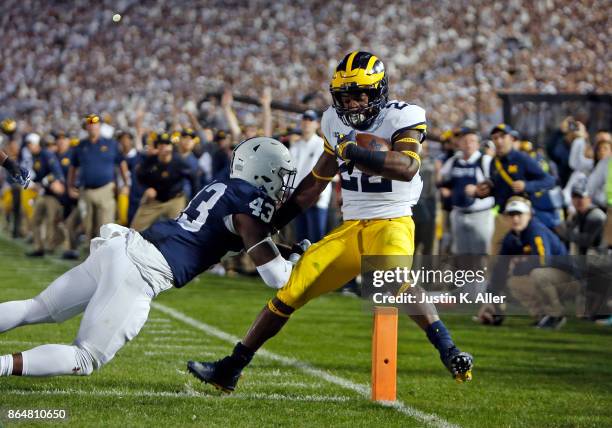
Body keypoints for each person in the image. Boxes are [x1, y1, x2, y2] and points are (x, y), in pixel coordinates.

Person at [188, 51, 473, 393]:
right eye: (344, 96)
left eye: (359, 94)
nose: (351, 104)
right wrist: (270, 225)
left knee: (393, 280)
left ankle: (449, 350)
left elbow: (407, 165)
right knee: (290, 290)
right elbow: (313, 186)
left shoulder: (404, 116)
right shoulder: (333, 123)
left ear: (378, 91)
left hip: (392, 220)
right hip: (352, 227)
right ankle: (230, 368)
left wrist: (353, 152)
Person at [0, 137, 304, 378]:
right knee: (86, 357)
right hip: (141, 271)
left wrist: (283, 250)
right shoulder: (249, 201)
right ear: (264, 171)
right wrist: (297, 264)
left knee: (37, 307)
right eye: (281, 175)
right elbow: (275, 277)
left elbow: (235, 239)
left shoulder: (225, 187)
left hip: (124, 247)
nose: (283, 183)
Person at [479, 197, 581, 329]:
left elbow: (543, 261)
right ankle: (542, 316)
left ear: (529, 215)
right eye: (511, 215)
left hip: (572, 281)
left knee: (538, 273)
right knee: (513, 282)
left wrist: (518, 267)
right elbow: (500, 269)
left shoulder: (536, 230)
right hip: (552, 279)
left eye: (519, 214)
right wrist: (490, 300)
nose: (515, 219)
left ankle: (555, 315)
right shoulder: (511, 237)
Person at [475, 124, 555, 254]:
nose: (499, 141)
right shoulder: (493, 163)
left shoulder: (522, 159)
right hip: (502, 218)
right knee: (495, 258)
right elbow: (497, 190)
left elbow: (549, 181)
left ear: (511, 138)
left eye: (503, 137)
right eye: (495, 138)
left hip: (521, 216)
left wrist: (527, 186)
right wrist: (482, 193)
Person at [67, 114, 129, 241]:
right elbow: (73, 168)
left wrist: (126, 184)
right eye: (90, 124)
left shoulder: (111, 144)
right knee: (88, 227)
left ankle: (105, 256)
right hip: (86, 191)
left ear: (100, 126)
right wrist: (70, 186)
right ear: (86, 127)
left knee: (106, 227)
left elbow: (122, 164)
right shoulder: (80, 146)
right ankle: (90, 255)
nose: (92, 127)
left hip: (106, 189)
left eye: (95, 124)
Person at [439, 128, 494, 255]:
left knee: (482, 255)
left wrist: (480, 190)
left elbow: (495, 184)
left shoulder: (485, 161)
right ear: (459, 143)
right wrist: (446, 189)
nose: (468, 144)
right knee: (461, 256)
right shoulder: (454, 161)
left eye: (472, 141)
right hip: (458, 213)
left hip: (481, 214)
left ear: (478, 144)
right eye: (465, 141)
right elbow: (441, 180)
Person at [130, 133, 196, 231]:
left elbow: (193, 178)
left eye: (167, 144)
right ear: (157, 147)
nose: (164, 147)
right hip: (155, 200)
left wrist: (193, 200)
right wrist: (146, 189)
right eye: (161, 144)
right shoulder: (150, 161)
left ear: (171, 147)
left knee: (180, 230)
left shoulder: (179, 162)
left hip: (175, 199)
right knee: (135, 229)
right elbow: (139, 176)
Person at [289, 110, 332, 243]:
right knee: (300, 242)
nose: (307, 122)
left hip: (316, 200)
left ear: (317, 124)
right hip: (297, 199)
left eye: (310, 119)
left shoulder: (322, 144)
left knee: (315, 242)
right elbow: (289, 173)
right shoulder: (295, 147)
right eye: (305, 119)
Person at [27, 134, 66, 257]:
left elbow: (57, 173)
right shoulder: (36, 156)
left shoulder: (46, 155)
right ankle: (39, 247)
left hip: (52, 194)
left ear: (36, 143)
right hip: (43, 193)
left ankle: (53, 245)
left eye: (30, 144)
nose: (29, 147)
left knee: (52, 221)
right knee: (35, 220)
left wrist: (44, 182)